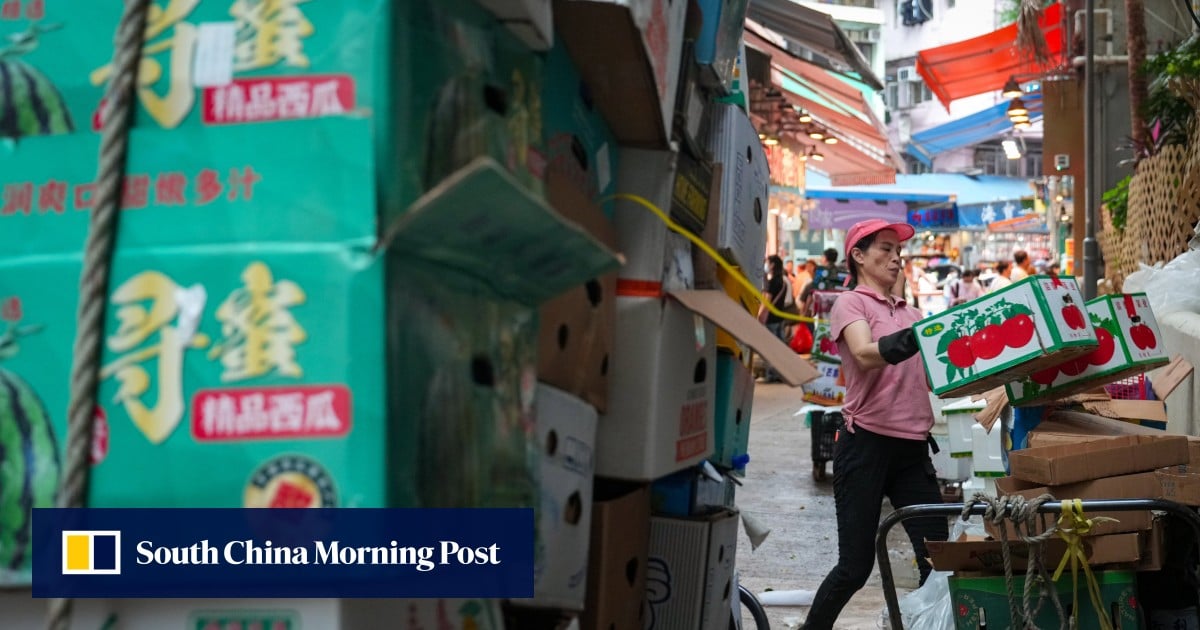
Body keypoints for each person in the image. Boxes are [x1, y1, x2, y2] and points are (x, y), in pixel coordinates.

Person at [802, 219, 948, 630]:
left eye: (899, 251)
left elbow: (936, 376)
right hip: (865, 445)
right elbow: (866, 354)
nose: (896, 257)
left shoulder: (914, 313)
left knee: (938, 560)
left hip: (912, 450)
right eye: (885, 248)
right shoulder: (852, 303)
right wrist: (920, 336)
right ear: (858, 256)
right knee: (854, 567)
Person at [760, 255, 790, 383]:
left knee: (770, 347)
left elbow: (767, 301)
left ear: (772, 265)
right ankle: (781, 374)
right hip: (780, 318)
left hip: (771, 319)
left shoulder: (772, 282)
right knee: (780, 347)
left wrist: (760, 314)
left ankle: (771, 374)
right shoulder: (783, 281)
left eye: (768, 263)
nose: (767, 265)